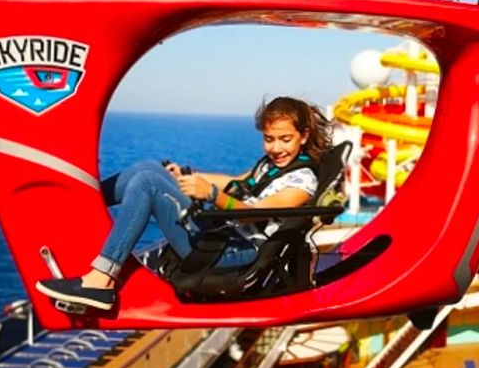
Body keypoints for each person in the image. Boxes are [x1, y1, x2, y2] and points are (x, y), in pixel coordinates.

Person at [36, 96, 332, 310]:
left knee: (148, 184)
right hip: (224, 235)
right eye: (269, 139)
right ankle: (79, 203)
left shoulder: (301, 181)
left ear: (303, 136)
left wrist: (212, 196)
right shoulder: (271, 166)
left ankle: (101, 281)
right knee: (150, 169)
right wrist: (189, 176)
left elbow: (255, 214)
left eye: (285, 139)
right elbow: (236, 184)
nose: (276, 147)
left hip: (233, 252)